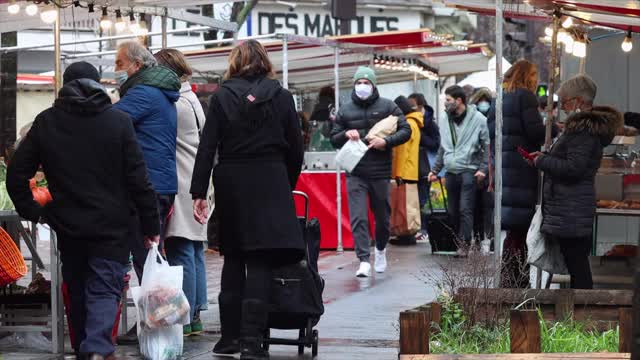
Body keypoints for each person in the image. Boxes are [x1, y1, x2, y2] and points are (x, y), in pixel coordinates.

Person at [6, 62, 160, 360]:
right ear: (97, 84)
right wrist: (150, 225)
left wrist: (34, 211)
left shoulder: (47, 122)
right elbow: (139, 179)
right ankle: (96, 349)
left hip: (68, 222)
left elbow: (16, 173)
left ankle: (83, 349)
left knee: (76, 284)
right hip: (113, 223)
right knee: (105, 286)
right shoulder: (119, 121)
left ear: (65, 85)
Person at [190, 40, 305, 359]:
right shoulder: (281, 97)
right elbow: (295, 148)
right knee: (260, 261)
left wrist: (199, 191)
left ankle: (229, 338)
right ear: (265, 62)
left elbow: (207, 145)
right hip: (270, 179)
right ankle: (253, 342)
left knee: (233, 256)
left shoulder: (222, 96)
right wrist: (285, 182)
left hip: (232, 181)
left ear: (234, 62)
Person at [112, 40, 181, 344]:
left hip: (148, 184)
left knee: (145, 256)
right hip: (160, 182)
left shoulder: (142, 94)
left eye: (119, 63)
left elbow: (109, 123)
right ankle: (153, 323)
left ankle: (154, 325)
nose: (116, 70)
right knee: (149, 255)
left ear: (137, 66)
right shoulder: (159, 93)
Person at [532, 75, 621, 289]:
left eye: (565, 100)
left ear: (579, 101)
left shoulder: (583, 130)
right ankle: (581, 311)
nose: (562, 105)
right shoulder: (585, 129)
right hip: (570, 207)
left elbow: (574, 168)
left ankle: (582, 313)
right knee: (576, 262)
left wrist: (542, 161)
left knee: (577, 265)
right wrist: (544, 157)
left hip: (571, 207)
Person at [330, 66, 411, 277]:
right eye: (359, 82)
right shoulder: (345, 110)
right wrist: (346, 133)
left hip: (380, 172)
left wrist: (386, 141)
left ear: (373, 85)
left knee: (383, 217)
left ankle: (381, 249)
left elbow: (406, 130)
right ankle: (364, 260)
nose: (362, 86)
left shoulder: (388, 106)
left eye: (366, 83)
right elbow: (333, 137)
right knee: (358, 217)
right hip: (355, 171)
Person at [153, 49, 208, 337]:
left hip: (183, 178)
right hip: (195, 178)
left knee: (181, 247)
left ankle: (184, 317)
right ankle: (196, 313)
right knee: (195, 248)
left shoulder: (176, 103)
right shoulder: (191, 97)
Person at [488, 60, 547, 288]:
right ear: (527, 76)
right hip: (522, 168)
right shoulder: (526, 97)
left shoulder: (499, 97)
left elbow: (493, 134)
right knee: (520, 228)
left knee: (514, 228)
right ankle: (515, 278)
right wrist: (551, 128)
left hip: (505, 168)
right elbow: (535, 132)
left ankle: (512, 277)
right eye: (534, 75)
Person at [429, 85, 490, 256]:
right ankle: (460, 241)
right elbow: (443, 147)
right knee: (453, 211)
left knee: (465, 209)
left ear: (458, 100)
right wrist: (435, 170)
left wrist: (483, 169)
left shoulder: (478, 119)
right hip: (451, 171)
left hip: (469, 170)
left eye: (448, 100)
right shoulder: (443, 119)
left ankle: (464, 244)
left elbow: (487, 147)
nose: (445, 104)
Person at [390, 96, 424, 245]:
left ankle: (406, 235)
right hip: (411, 169)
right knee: (410, 205)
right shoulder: (415, 123)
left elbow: (402, 151)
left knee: (404, 206)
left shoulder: (408, 124)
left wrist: (397, 173)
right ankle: (408, 233)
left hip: (404, 170)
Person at [408, 93, 440, 242]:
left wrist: (419, 136)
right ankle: (418, 227)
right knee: (416, 199)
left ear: (420, 106)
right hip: (413, 165)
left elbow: (435, 143)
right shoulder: (410, 121)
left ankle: (425, 229)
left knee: (424, 198)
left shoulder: (430, 124)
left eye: (413, 105)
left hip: (425, 165)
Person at [469, 87, 494, 244]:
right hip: (477, 166)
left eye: (486, 101)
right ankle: (480, 237)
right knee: (478, 205)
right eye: (481, 100)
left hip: (489, 167)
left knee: (487, 205)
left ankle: (488, 237)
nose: (483, 104)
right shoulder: (473, 119)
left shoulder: (494, 117)